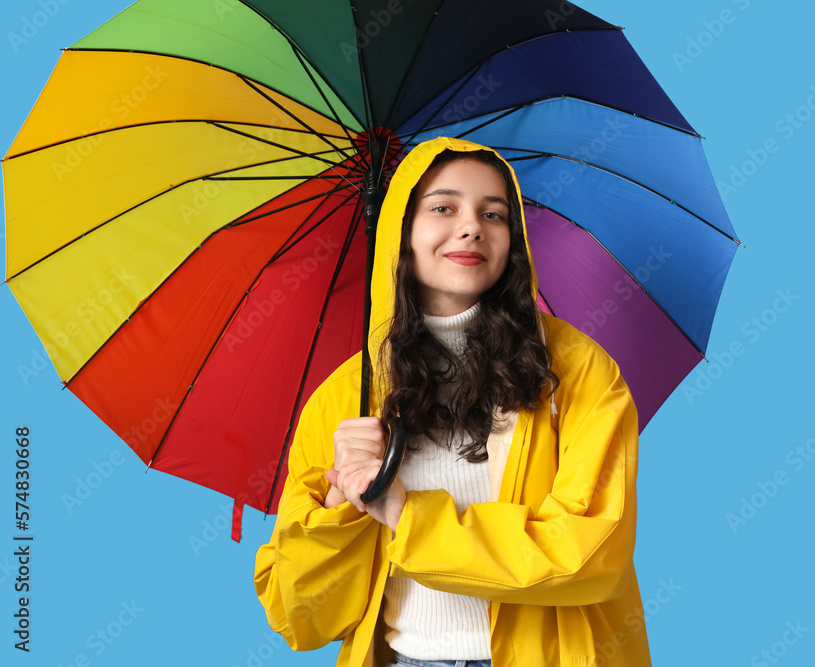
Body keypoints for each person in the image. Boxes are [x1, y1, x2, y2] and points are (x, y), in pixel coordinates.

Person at [254, 137, 651, 667]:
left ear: (514, 240)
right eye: (443, 207)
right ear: (403, 231)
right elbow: (301, 618)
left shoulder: (578, 372)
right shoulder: (348, 397)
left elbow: (591, 553)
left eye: (495, 214)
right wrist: (338, 508)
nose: (472, 227)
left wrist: (405, 513)